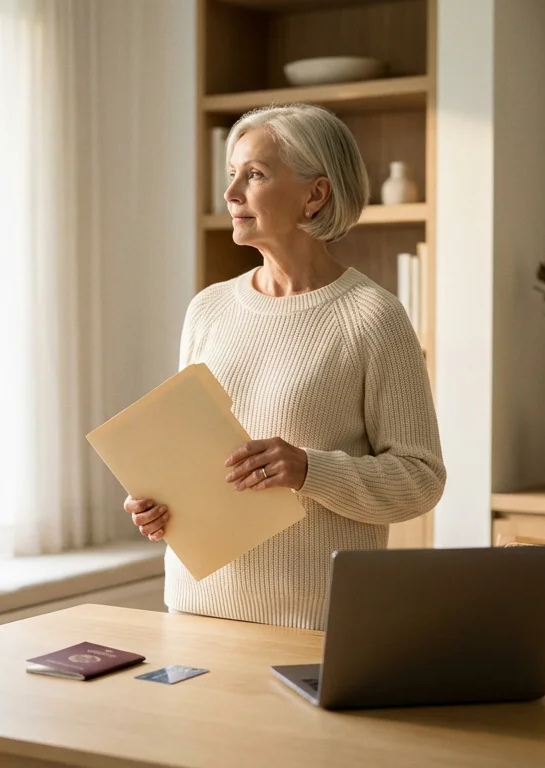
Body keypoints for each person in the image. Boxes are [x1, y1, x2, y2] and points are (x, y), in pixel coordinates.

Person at [124, 103, 446, 630]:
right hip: (194, 612)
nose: (230, 195)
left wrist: (310, 470)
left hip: (312, 623)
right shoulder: (208, 309)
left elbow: (421, 479)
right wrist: (155, 501)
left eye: (254, 175)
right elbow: (183, 449)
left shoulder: (373, 317)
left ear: (315, 194)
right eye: (232, 176)